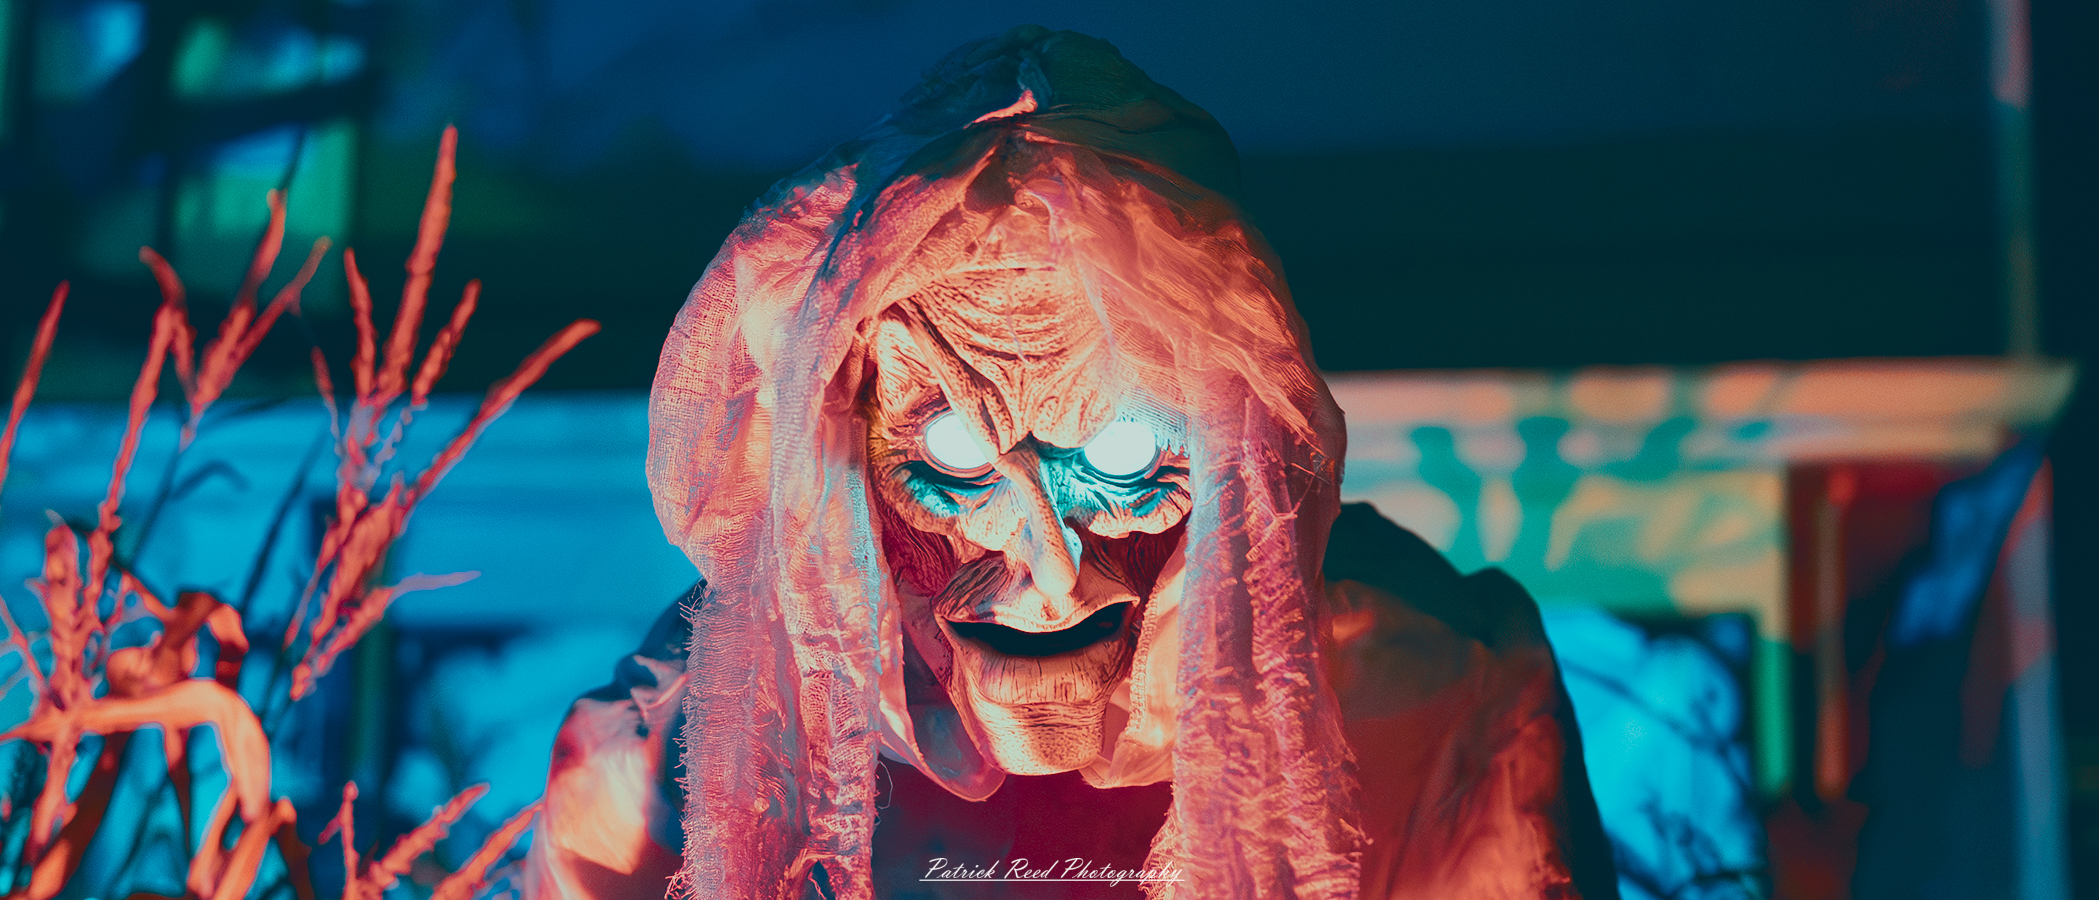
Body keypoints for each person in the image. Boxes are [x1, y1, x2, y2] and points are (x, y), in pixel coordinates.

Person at [522, 26, 1616, 900]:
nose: (1048, 567)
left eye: (1127, 452)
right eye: (952, 453)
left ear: (1243, 442)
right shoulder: (697, 734)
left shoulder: (1438, 691)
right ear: (837, 451)